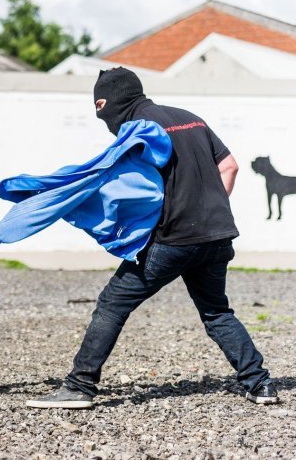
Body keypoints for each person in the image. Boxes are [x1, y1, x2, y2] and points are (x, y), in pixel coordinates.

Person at [28, 67, 278, 409]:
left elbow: (127, 189)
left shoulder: (136, 130)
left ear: (104, 104)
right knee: (217, 311)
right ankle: (260, 384)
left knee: (112, 303)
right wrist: (207, 211)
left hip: (173, 240)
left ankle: (78, 386)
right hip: (218, 235)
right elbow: (230, 166)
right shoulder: (191, 119)